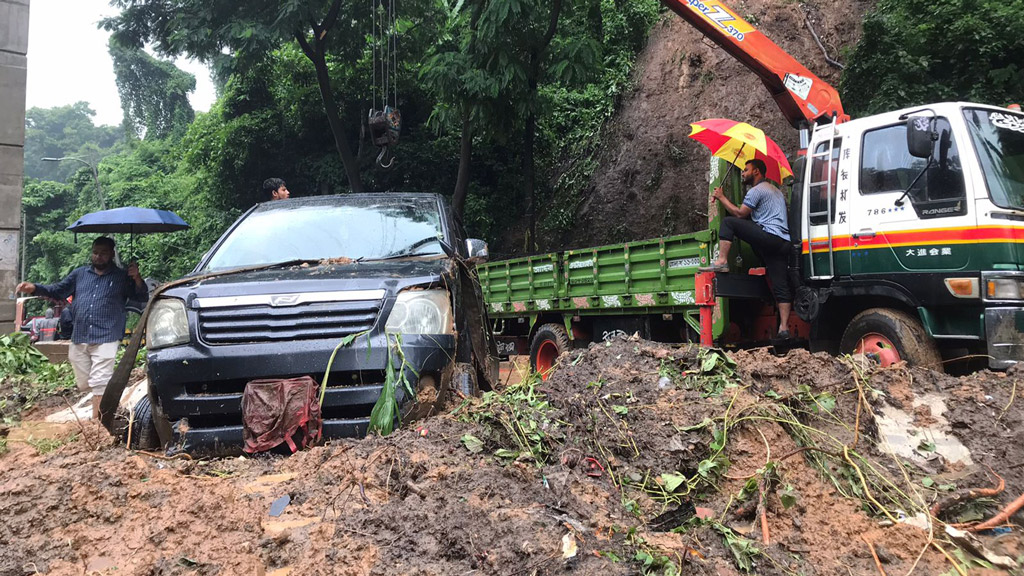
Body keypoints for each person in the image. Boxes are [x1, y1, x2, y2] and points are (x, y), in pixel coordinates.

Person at [15, 237, 148, 419]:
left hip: (107, 335)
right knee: (84, 383)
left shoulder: (122, 277)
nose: (98, 256)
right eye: (95, 252)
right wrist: (34, 288)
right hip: (81, 334)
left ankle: (99, 424)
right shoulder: (79, 274)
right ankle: (108, 399)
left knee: (100, 381)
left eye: (103, 253)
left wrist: (137, 278)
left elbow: (140, 297)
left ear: (111, 254)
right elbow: (58, 290)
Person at [700, 159, 794, 338]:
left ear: (756, 172)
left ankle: (721, 261)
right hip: (782, 243)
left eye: (746, 170)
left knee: (729, 223)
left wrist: (721, 197)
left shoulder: (756, 191)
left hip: (769, 236)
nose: (743, 173)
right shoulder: (776, 191)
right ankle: (784, 328)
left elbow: (740, 213)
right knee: (781, 286)